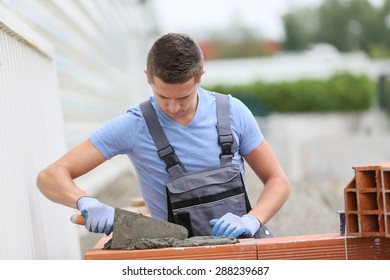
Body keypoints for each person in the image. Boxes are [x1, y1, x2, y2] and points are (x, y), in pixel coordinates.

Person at [36, 32, 290, 238]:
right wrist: (85, 201)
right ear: (148, 78)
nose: (173, 108)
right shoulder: (133, 126)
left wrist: (252, 219)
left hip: (241, 248)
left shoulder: (232, 112)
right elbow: (49, 177)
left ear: (200, 76)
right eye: (163, 97)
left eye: (184, 97)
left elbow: (278, 180)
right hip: (175, 257)